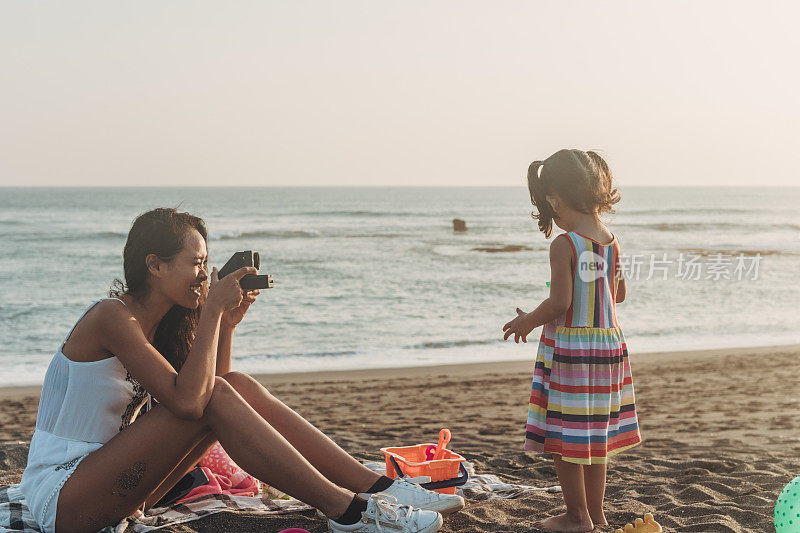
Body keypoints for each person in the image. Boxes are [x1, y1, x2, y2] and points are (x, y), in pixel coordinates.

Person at [19, 207, 463, 533]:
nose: (203, 276)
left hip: (116, 486)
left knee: (236, 385)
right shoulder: (112, 317)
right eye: (195, 264)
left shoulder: (160, 326)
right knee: (215, 393)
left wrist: (225, 325)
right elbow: (194, 402)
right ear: (155, 265)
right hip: (63, 496)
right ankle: (350, 513)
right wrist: (211, 310)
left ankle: (379, 489)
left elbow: (214, 401)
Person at [502, 150, 642, 533]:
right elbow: (620, 295)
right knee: (594, 435)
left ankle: (577, 517)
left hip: (573, 351)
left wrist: (525, 322)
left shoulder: (565, 245)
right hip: (609, 349)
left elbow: (560, 303)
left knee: (564, 436)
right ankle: (596, 515)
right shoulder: (612, 241)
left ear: (554, 198)